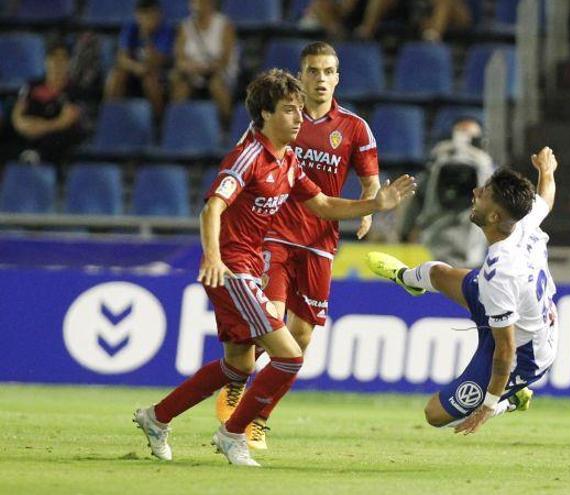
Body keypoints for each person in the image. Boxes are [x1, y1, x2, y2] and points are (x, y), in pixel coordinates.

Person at [133, 68, 416, 467]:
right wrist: (213, 257)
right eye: (289, 111)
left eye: (300, 110)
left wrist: (374, 204)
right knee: (289, 356)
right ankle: (233, 434)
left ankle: (156, 417)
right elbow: (212, 206)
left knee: (239, 366)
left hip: (247, 264)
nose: (300, 118)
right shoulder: (249, 155)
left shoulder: (288, 160)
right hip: (232, 270)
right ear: (264, 114)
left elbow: (321, 205)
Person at [213, 41, 382, 450]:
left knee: (301, 335)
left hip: (320, 242)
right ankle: (236, 386)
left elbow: (370, 178)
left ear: (337, 77)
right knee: (267, 320)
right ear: (301, 75)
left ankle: (257, 416)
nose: (320, 79)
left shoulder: (355, 127)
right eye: (313, 71)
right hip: (272, 234)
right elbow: (245, 157)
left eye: (328, 71)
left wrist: (368, 209)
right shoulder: (278, 117)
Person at [367, 147, 560, 434]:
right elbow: (545, 198)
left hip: (524, 354)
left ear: (494, 217)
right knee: (439, 274)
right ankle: (406, 278)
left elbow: (504, 350)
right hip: (510, 308)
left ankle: (512, 399)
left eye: (483, 193)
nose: (475, 193)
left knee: (436, 414)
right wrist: (547, 171)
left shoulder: (501, 272)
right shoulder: (522, 222)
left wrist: (490, 404)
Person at [400, 115, 495, 267]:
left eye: (470, 136)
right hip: (433, 250)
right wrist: (405, 233)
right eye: (461, 134)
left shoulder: (487, 170)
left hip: (472, 253)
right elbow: (415, 201)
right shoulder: (434, 167)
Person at [11, 41, 87, 164]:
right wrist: (29, 127)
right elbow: (17, 117)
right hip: (30, 132)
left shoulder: (74, 91)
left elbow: (65, 121)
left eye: (63, 58)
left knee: (61, 137)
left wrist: (38, 127)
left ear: (69, 63)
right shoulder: (31, 86)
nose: (57, 62)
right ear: (46, 61)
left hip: (56, 138)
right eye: (53, 57)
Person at [169, 0, 238, 124]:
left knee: (216, 85)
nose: (197, 5)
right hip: (192, 72)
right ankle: (178, 125)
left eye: (201, 2)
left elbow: (224, 60)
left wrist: (205, 68)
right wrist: (188, 67)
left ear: (210, 4)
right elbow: (179, 59)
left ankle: (227, 125)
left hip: (219, 72)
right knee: (179, 85)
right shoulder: (185, 26)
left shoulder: (224, 25)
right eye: (194, 2)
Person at [104, 0, 174, 116]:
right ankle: (111, 117)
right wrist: (136, 67)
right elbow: (121, 58)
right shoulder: (130, 27)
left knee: (150, 80)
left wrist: (147, 37)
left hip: (158, 74)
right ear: (138, 16)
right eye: (145, 14)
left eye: (153, 14)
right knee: (115, 76)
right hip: (135, 71)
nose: (149, 18)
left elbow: (157, 61)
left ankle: (158, 122)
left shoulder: (165, 30)